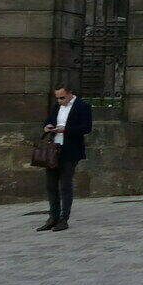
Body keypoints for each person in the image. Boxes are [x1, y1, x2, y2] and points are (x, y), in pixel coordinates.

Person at [38, 84, 92, 232]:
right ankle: (53, 217)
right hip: (53, 149)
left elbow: (86, 128)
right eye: (57, 98)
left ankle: (64, 218)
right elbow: (48, 120)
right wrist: (48, 126)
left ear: (70, 94)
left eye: (62, 97)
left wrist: (66, 130)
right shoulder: (56, 107)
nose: (59, 101)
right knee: (51, 185)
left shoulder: (82, 107)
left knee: (65, 185)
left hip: (70, 150)